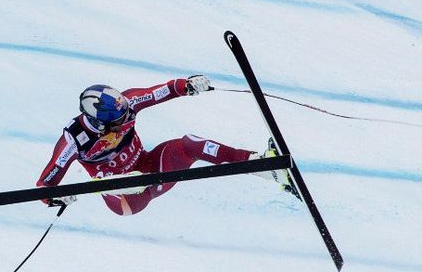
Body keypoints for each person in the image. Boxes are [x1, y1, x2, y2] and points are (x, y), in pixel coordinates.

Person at [36, 75, 296, 215]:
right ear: (99, 122)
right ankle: (110, 185)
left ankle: (263, 166)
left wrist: (188, 86)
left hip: (151, 166)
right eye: (119, 119)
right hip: (126, 198)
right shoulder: (75, 138)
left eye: (126, 111)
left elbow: (160, 91)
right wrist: (54, 197)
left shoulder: (127, 104)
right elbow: (45, 184)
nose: (126, 117)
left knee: (190, 144)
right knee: (129, 181)